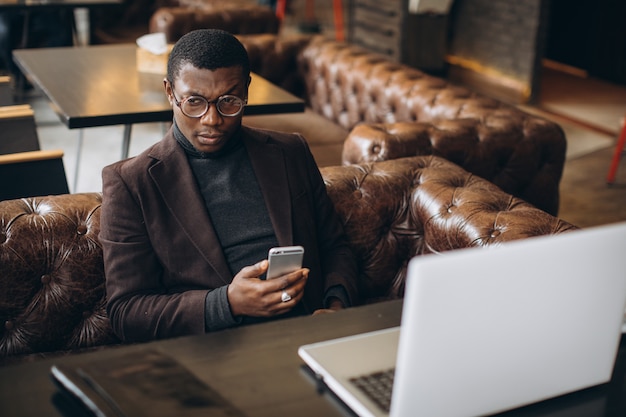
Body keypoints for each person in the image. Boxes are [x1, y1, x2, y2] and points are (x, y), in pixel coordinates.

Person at [100, 29, 358, 343]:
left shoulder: (290, 152)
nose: (211, 120)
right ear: (170, 92)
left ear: (246, 92)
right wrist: (226, 304)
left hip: (307, 336)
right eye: (194, 102)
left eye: (228, 101)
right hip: (215, 351)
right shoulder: (131, 182)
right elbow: (126, 312)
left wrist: (335, 306)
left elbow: (335, 247)